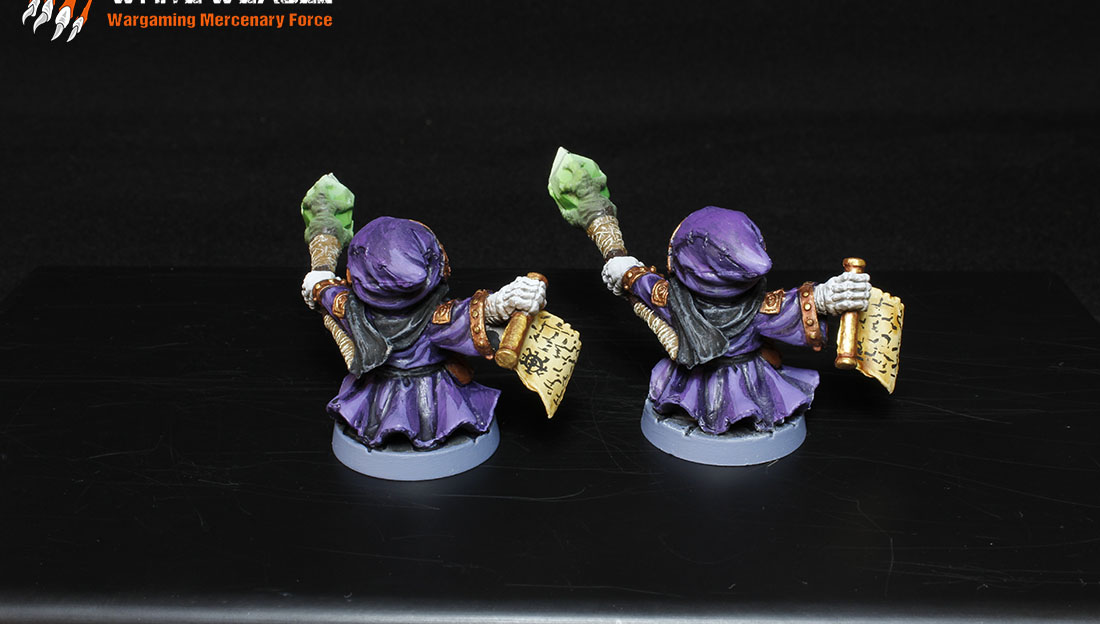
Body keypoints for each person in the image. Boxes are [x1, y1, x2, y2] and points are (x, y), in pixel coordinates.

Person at [601, 206, 870, 434]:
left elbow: (646, 286)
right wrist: (626, 273)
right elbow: (791, 306)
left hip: (743, 376)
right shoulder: (679, 299)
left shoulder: (675, 299)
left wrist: (626, 273)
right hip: (702, 374)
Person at [300, 216, 545, 450]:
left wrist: (318, 283)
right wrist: (500, 303)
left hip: (403, 387)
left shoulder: (352, 310)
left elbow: (331, 295)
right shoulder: (431, 318)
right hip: (426, 388)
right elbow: (467, 315)